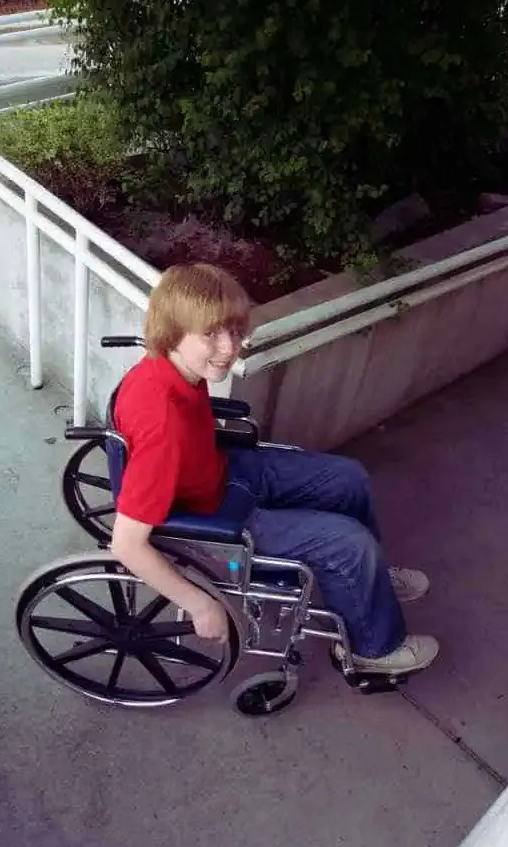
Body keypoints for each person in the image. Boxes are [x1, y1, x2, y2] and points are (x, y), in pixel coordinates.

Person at [109, 263, 439, 677]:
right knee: (349, 544)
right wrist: (199, 602)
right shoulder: (161, 426)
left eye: (233, 328)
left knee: (348, 477)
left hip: (221, 469)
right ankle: (372, 650)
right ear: (172, 329)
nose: (230, 347)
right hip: (214, 516)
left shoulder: (169, 365)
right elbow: (126, 545)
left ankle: (368, 584)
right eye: (211, 333)